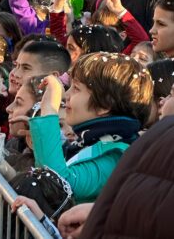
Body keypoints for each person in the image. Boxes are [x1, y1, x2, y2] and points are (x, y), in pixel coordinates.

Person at [27, 52, 153, 204]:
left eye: (76, 89)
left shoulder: (116, 156)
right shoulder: (88, 142)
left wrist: (49, 109)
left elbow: (56, 186)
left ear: (104, 105)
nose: (66, 94)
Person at [66, 115, 174, 239]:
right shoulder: (163, 131)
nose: (163, 101)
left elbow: (61, 184)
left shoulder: (115, 153)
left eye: (171, 95)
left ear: (105, 105)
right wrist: (102, 212)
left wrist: (49, 111)